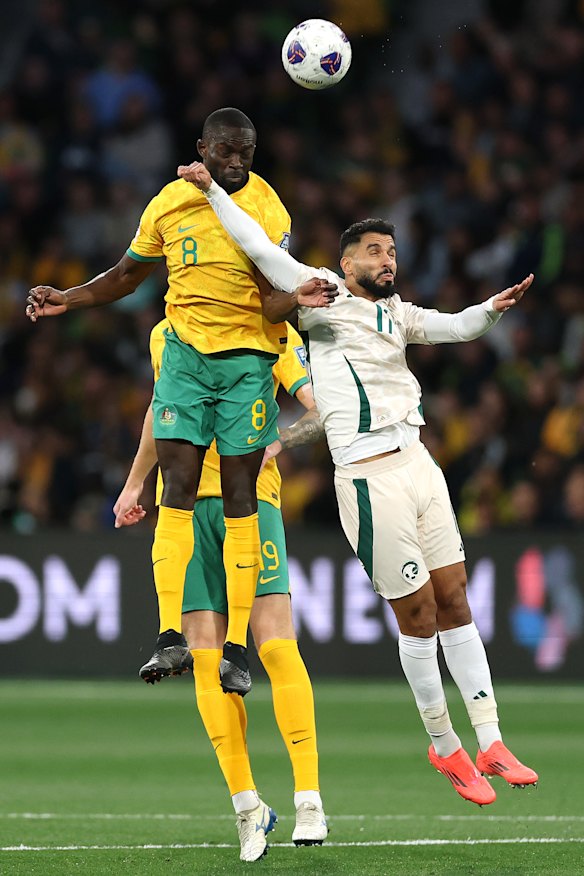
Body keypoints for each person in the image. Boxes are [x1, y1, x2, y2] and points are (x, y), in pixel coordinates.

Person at [176, 160, 539, 806]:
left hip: (419, 464)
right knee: (418, 614)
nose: (386, 258)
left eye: (392, 250)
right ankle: (445, 745)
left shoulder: (397, 314)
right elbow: (260, 250)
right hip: (369, 480)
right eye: (374, 250)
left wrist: (491, 308)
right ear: (345, 265)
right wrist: (211, 193)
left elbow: (454, 327)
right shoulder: (321, 296)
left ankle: (489, 737)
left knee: (455, 596)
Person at [25, 106, 336, 694]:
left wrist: (298, 299)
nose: (236, 160)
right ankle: (171, 637)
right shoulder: (168, 203)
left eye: (245, 150)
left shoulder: (268, 209)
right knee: (177, 487)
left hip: (247, 361)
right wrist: (70, 297)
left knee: (242, 495)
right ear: (203, 147)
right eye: (225, 150)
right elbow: (126, 274)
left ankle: (236, 648)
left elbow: (271, 299)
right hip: (186, 359)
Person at [113, 319, 328, 861]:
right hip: (184, 510)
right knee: (205, 662)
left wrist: (279, 442)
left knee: (274, 643)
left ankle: (309, 800)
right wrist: (136, 481)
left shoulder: (269, 326)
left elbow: (318, 407)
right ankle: (247, 806)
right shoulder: (166, 332)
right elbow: (163, 411)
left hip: (252, 504)